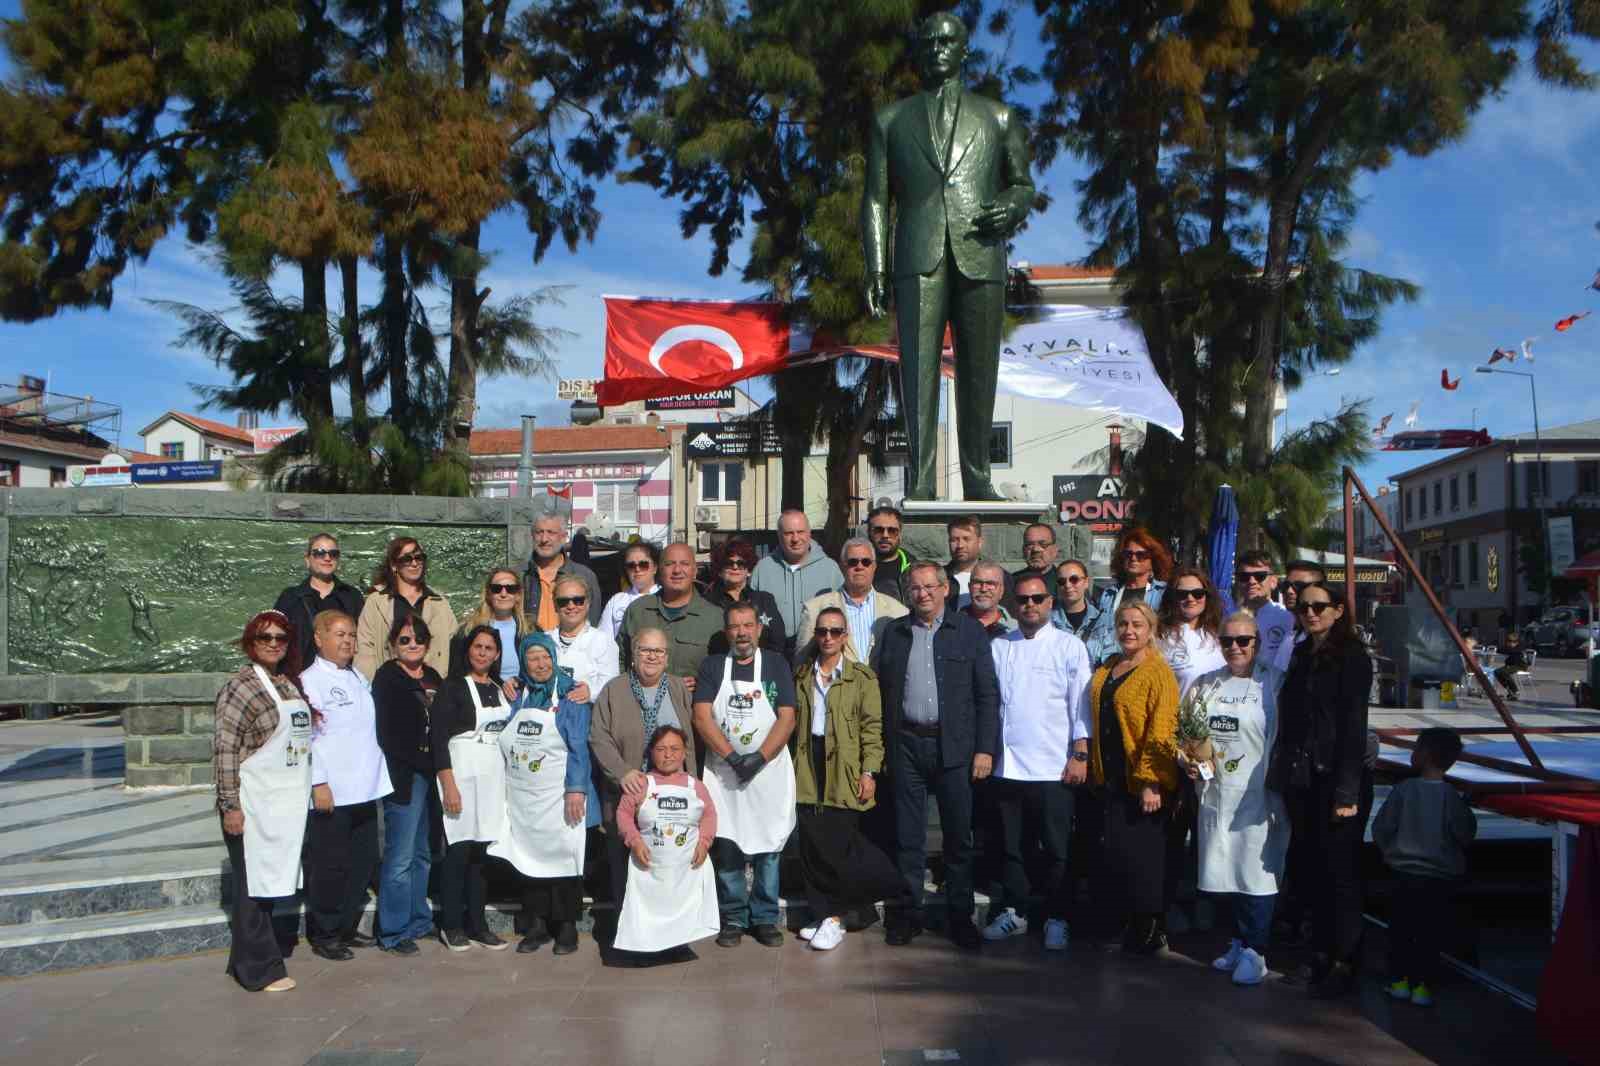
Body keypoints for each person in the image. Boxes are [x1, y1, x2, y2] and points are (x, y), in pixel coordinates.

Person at [861, 11, 1034, 501]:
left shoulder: (998, 117)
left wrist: (1012, 206)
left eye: (947, 42)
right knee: (917, 371)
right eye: (929, 42)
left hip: (980, 251)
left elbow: (1022, 184)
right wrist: (875, 265)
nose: (937, 49)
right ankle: (919, 479)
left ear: (964, 51)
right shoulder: (890, 119)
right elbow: (875, 197)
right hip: (918, 254)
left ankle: (978, 476)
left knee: (980, 371)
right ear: (920, 51)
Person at [875, 562, 1000, 949]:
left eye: (931, 586)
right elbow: (881, 690)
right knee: (908, 836)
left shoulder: (969, 632)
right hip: (907, 744)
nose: (923, 593)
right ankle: (908, 914)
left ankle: (960, 917)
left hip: (956, 747)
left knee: (958, 837)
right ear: (907, 592)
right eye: (915, 587)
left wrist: (984, 749)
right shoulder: (895, 633)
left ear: (946, 589)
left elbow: (987, 695)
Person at [1270, 581, 1374, 998]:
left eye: (1319, 607)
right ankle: (1318, 954)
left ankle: (1345, 961)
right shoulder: (1300, 654)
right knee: (1311, 871)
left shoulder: (1352, 658)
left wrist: (1347, 794)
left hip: (1338, 780)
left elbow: (1353, 729)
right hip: (1302, 779)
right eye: (1304, 607)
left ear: (1337, 611)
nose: (1310, 613)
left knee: (1342, 876)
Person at [981, 575, 1091, 951]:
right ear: (1013, 604)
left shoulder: (1069, 647)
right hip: (1008, 766)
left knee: (1057, 849)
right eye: (1023, 599)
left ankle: (1058, 917)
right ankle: (1016, 910)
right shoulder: (999, 646)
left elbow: (1081, 706)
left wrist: (1080, 755)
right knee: (1013, 847)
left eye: (1037, 599)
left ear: (1049, 603)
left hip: (1053, 766)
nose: (1029, 605)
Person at [1183, 612, 1289, 987]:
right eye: (1228, 641)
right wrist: (1191, 762)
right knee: (1224, 871)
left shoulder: (1274, 685)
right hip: (1216, 795)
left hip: (1259, 796)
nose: (1235, 648)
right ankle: (1238, 941)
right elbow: (1188, 735)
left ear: (1257, 643)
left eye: (1243, 641)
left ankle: (1257, 951)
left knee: (1255, 873)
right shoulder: (1205, 685)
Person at [791, 607, 905, 951]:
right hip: (807, 761)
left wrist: (870, 771)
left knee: (839, 844)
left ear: (845, 636)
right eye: (822, 631)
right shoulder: (800, 675)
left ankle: (839, 917)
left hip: (845, 764)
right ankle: (823, 913)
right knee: (811, 844)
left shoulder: (862, 678)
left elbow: (873, 730)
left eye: (835, 631)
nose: (828, 637)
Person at [213, 610, 313, 993]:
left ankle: (243, 960)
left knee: (266, 885)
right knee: (252, 887)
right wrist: (230, 806)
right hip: (251, 804)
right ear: (250, 642)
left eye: (280, 637)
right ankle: (260, 970)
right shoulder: (240, 687)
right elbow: (225, 750)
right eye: (264, 637)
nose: (273, 643)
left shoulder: (286, 684)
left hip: (281, 808)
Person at [692, 601, 798, 948]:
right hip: (724, 774)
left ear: (759, 628)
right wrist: (733, 757)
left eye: (748, 625)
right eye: (735, 627)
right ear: (727, 632)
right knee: (729, 844)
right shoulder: (712, 666)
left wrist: (759, 758)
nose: (742, 633)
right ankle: (734, 916)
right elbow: (702, 717)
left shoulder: (777, 665)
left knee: (769, 845)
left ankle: (765, 917)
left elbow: (787, 717)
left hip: (767, 773)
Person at [489, 633, 600, 956]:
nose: (541, 664)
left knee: (565, 857)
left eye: (546, 657)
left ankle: (566, 928)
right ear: (524, 663)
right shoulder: (517, 694)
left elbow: (579, 746)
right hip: (525, 796)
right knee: (529, 857)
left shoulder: (570, 695)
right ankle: (536, 927)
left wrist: (576, 789)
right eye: (533, 658)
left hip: (561, 794)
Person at [1088, 601, 1180, 955]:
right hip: (1109, 776)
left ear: (1150, 629)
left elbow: (1162, 728)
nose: (1129, 630)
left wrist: (1151, 780)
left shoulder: (1157, 671)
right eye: (1123, 624)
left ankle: (1149, 927)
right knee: (1115, 853)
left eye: (1137, 625)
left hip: (1141, 781)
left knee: (1143, 857)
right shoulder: (1109, 666)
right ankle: (1121, 921)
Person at [299, 610, 392, 961]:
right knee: (330, 864)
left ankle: (345, 926)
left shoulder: (356, 676)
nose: (347, 641)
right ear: (318, 637)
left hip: (364, 788)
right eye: (339, 634)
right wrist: (318, 782)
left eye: (352, 635)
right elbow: (307, 738)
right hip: (332, 792)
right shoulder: (308, 681)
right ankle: (324, 933)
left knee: (363, 860)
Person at [590, 628, 698, 921]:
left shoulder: (678, 689)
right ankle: (630, 930)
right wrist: (622, 772)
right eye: (645, 650)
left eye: (659, 651)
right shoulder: (614, 690)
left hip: (671, 801)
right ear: (634, 655)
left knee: (669, 866)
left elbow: (691, 740)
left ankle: (669, 929)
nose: (652, 656)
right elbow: (599, 737)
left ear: (667, 657)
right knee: (627, 867)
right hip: (627, 796)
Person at [1374, 728, 1477, 1008]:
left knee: (1400, 930)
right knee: (1429, 932)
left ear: (1425, 755)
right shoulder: (1451, 796)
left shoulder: (1403, 791)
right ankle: (1422, 985)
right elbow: (1464, 833)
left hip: (1403, 872)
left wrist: (1387, 852)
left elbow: (1382, 827)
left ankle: (1399, 980)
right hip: (1439, 876)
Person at [430, 624, 512, 951]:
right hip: (461, 775)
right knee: (459, 850)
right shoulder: (452, 688)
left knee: (481, 853)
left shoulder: (502, 688)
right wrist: (449, 785)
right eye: (477, 647)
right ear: (468, 651)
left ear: (497, 654)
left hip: (492, 778)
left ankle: (479, 925)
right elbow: (438, 740)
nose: (483, 653)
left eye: (489, 648)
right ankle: (452, 925)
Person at [613, 726, 721, 961]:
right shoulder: (641, 784)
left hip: (686, 867)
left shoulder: (696, 786)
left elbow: (710, 816)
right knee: (648, 908)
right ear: (651, 753)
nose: (668, 754)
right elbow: (623, 814)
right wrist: (634, 841)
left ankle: (678, 945)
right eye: (661, 749)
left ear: (684, 754)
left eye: (674, 749)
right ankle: (645, 949)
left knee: (682, 906)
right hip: (649, 865)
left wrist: (704, 842)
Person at [371, 614, 442, 956]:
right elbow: (387, 731)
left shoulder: (432, 677)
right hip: (404, 774)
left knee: (422, 852)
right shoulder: (387, 677)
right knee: (399, 856)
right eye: (404, 640)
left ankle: (418, 920)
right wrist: (418, 760)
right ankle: (393, 930)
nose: (412, 645)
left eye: (418, 639)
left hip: (430, 774)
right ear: (393, 645)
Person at [618, 542, 723, 688]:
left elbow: (724, 669)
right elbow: (620, 660)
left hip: (690, 706)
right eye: (669, 564)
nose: (677, 570)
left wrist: (704, 684)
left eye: (684, 564)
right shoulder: (637, 610)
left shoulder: (714, 617)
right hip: (639, 703)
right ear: (659, 570)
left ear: (695, 571)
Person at [794, 537, 909, 664]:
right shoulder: (814, 610)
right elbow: (801, 665)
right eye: (853, 562)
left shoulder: (898, 612)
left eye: (866, 562)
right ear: (842, 567)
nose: (859, 567)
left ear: (874, 567)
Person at [355, 536, 457, 679]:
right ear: (394, 565)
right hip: (389, 687)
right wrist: (370, 687)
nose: (414, 563)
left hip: (432, 689)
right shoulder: (376, 602)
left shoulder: (439, 603)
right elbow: (365, 649)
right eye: (407, 559)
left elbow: (454, 646)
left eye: (419, 558)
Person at [750, 509, 844, 656]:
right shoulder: (762, 569)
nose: (795, 539)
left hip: (817, 654)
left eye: (800, 532)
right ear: (779, 536)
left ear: (809, 533)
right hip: (773, 655)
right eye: (788, 533)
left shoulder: (830, 569)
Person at [273, 532, 364, 668]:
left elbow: (361, 641)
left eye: (333, 553)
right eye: (319, 553)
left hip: (340, 677)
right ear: (307, 559)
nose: (327, 558)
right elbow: (276, 638)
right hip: (298, 678)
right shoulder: (291, 597)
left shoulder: (352, 596)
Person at [1086, 528, 1171, 664]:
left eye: (1141, 555)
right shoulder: (1109, 594)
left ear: (1152, 561)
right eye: (1128, 554)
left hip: (1145, 664)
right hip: (1109, 663)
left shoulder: (1163, 593)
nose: (1133, 558)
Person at [704, 538, 788, 658]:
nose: (735, 567)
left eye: (741, 563)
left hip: (761, 668)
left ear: (748, 570)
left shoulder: (764, 600)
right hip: (721, 666)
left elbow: (778, 640)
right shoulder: (708, 602)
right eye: (729, 563)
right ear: (720, 570)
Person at [523, 511, 603, 633]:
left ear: (564, 537)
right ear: (532, 536)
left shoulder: (584, 576)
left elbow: (592, 621)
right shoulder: (521, 574)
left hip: (571, 648)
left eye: (551, 532)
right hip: (530, 648)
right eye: (539, 532)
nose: (544, 539)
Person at [450, 568, 531, 683]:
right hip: (484, 696)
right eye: (496, 589)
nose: (503, 594)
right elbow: (455, 675)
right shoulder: (467, 632)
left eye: (511, 589)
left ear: (518, 595)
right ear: (488, 594)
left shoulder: (530, 631)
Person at [550, 573, 619, 702]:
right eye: (563, 601)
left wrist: (590, 692)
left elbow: (611, 685)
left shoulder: (603, 641)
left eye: (578, 601)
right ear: (555, 605)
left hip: (586, 715)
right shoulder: (545, 639)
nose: (571, 606)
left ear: (588, 603)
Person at [1158, 569, 1226, 697]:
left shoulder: (1221, 634)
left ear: (1207, 597)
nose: (1190, 598)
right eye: (1182, 594)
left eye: (1198, 593)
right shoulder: (1160, 638)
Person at [1235, 550, 1295, 672]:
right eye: (1244, 577)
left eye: (1259, 576)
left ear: (1273, 581)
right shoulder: (1228, 620)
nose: (1251, 581)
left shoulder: (1288, 618)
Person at [945, 515, 1013, 611]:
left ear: (980, 542)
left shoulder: (1002, 577)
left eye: (966, 539)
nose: (960, 545)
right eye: (954, 540)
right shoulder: (940, 578)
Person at [601, 542, 659, 639]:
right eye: (631, 565)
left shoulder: (666, 597)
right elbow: (604, 639)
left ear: (655, 568)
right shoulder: (617, 600)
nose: (637, 569)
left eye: (643, 564)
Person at [1050, 558, 1100, 643]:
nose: (1068, 585)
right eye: (1061, 581)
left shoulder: (1101, 620)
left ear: (1086, 582)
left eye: (1074, 579)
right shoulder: (1047, 621)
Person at [868, 505, 911, 602]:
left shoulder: (914, 569)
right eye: (878, 530)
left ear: (900, 534)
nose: (885, 535)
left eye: (892, 531)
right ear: (869, 533)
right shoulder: (857, 567)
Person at [964, 561, 1016, 635]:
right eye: (977, 582)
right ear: (969, 587)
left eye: (991, 583)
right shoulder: (952, 626)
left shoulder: (1016, 629)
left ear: (1001, 590)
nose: (983, 589)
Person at [1013, 523, 1061, 599]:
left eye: (1043, 544)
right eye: (1030, 544)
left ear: (1055, 550)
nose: (1035, 549)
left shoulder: (1067, 582)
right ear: (1023, 550)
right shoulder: (1011, 583)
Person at [1495, 631, 1532, 699]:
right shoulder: (1511, 648)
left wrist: (1506, 649)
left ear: (1516, 642)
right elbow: (1500, 649)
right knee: (1496, 672)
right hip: (1512, 665)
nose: (1508, 644)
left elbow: (1509, 651)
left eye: (1511, 642)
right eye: (1508, 642)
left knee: (1504, 672)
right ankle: (1509, 690)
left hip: (1520, 666)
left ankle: (1515, 691)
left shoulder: (1520, 648)